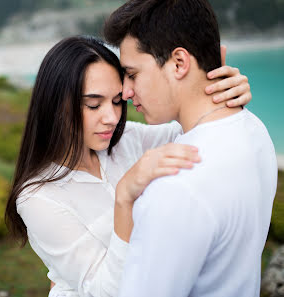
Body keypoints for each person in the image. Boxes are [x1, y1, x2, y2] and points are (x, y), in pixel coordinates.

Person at [4, 35, 252, 297]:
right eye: (93, 104)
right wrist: (124, 198)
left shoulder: (126, 140)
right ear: (54, 105)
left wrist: (221, 93)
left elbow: (195, 127)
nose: (111, 118)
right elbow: (105, 291)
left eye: (117, 101)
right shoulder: (38, 197)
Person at [102, 0, 278, 296]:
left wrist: (124, 198)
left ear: (179, 63)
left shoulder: (173, 186)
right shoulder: (254, 129)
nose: (126, 91)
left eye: (132, 74)